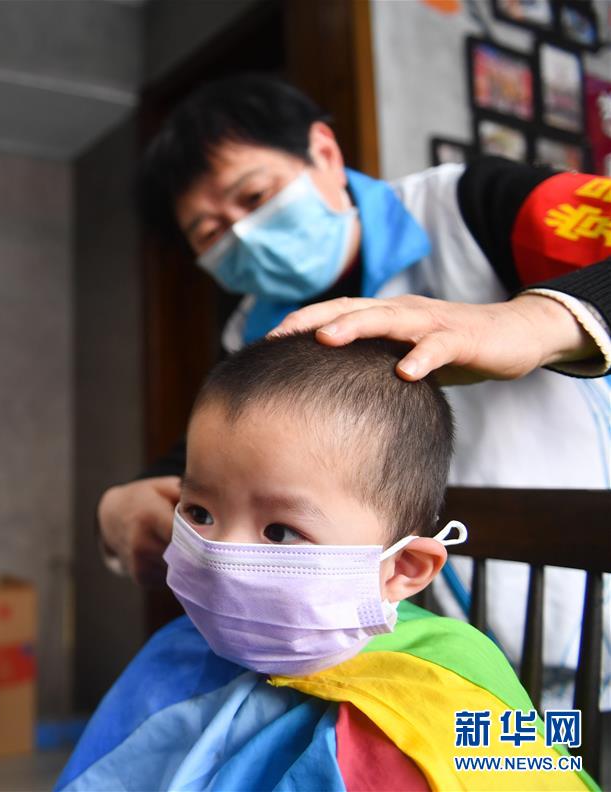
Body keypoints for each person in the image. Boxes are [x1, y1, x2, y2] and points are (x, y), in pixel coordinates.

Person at [97, 75, 610, 703]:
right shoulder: (250, 330)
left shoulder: (473, 207)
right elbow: (215, 461)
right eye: (210, 232)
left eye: (254, 195)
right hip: (419, 654)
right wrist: (126, 502)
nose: (244, 233)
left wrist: (531, 323)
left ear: (324, 151)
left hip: (581, 604)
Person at [60, 335, 596, 791]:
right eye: (200, 512)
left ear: (403, 568)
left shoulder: (448, 705)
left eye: (280, 531)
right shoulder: (176, 653)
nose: (222, 556)